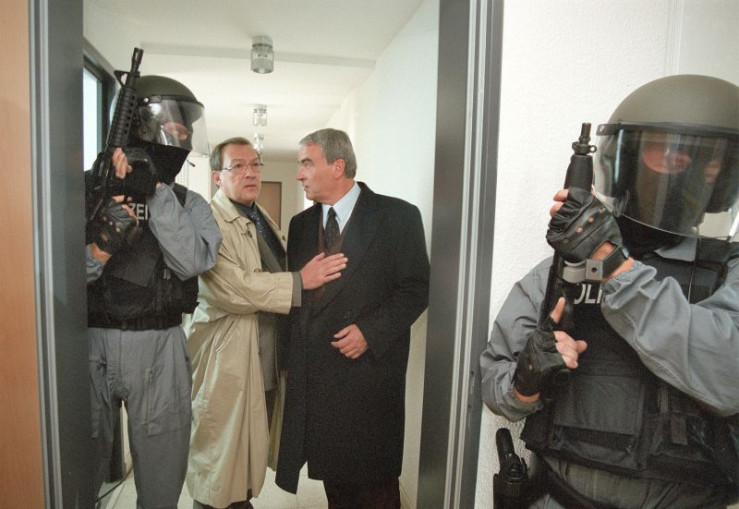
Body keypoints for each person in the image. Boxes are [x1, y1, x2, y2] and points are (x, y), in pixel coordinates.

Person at [480, 74, 739, 508]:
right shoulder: (563, 271)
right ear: (627, 162)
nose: (690, 168)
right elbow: (493, 381)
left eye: (709, 161)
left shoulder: (727, 272)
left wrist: (615, 267)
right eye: (669, 153)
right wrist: (526, 383)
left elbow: (728, 379)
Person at [184, 137, 348, 509]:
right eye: (238, 166)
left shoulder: (258, 217)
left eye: (255, 165)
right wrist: (300, 282)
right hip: (227, 358)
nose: (250, 173)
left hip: (262, 357)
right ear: (217, 177)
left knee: (244, 453)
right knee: (219, 460)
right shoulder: (209, 220)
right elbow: (231, 288)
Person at [275, 128, 431, 507]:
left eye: (307, 163)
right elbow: (295, 301)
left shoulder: (398, 217)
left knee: (375, 491)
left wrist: (369, 332)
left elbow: (416, 289)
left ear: (338, 166)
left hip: (369, 382)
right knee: (338, 490)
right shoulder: (299, 226)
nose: (299, 174)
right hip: (319, 384)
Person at [86, 75, 222, 509]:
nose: (180, 143)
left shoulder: (188, 201)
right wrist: (101, 244)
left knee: (162, 486)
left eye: (186, 133)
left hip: (160, 346)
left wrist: (156, 192)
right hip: (88, 341)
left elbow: (192, 261)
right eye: (173, 131)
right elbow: (49, 277)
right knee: (75, 474)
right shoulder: (86, 189)